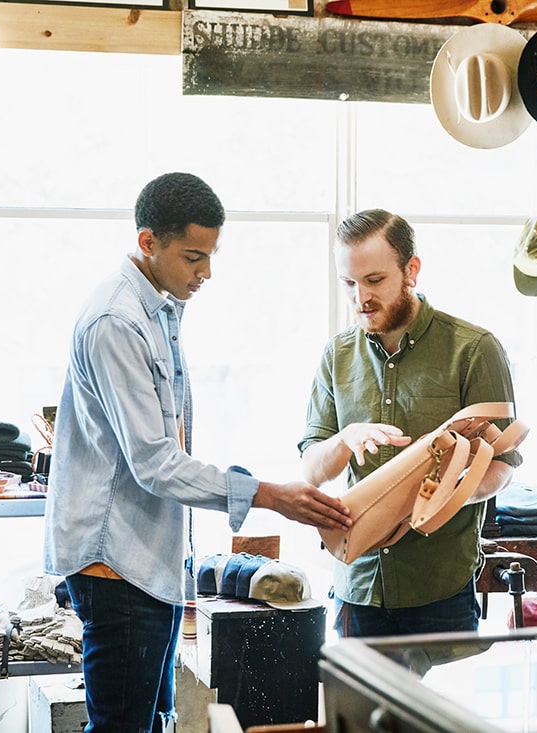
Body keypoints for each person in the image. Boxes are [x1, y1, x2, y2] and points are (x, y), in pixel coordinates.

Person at [44, 172, 352, 733]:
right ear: (148, 243)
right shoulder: (117, 321)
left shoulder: (157, 311)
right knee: (124, 728)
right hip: (115, 564)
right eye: (193, 257)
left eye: (209, 256)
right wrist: (270, 496)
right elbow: (154, 461)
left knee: (150, 721)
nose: (205, 272)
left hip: (143, 561)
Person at [298, 208, 521, 638]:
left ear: (411, 270)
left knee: (438, 708)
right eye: (349, 283)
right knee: (357, 709)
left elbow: (502, 465)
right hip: (356, 591)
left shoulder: (474, 350)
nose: (360, 297)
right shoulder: (336, 356)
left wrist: (439, 499)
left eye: (375, 281)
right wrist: (346, 440)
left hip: (440, 592)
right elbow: (311, 469)